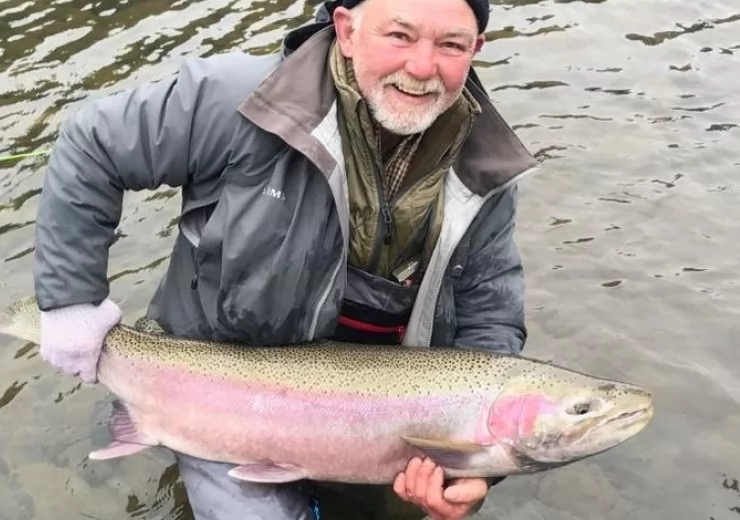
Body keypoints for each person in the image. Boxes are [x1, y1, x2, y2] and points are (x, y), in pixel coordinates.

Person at [32, 0, 539, 518]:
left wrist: (477, 469)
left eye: (451, 45)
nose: (423, 66)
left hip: (385, 417)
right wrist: (70, 301)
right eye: (400, 36)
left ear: (476, 49)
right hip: (218, 392)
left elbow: (489, 317)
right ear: (346, 30)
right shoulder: (239, 98)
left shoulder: (485, 171)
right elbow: (92, 143)